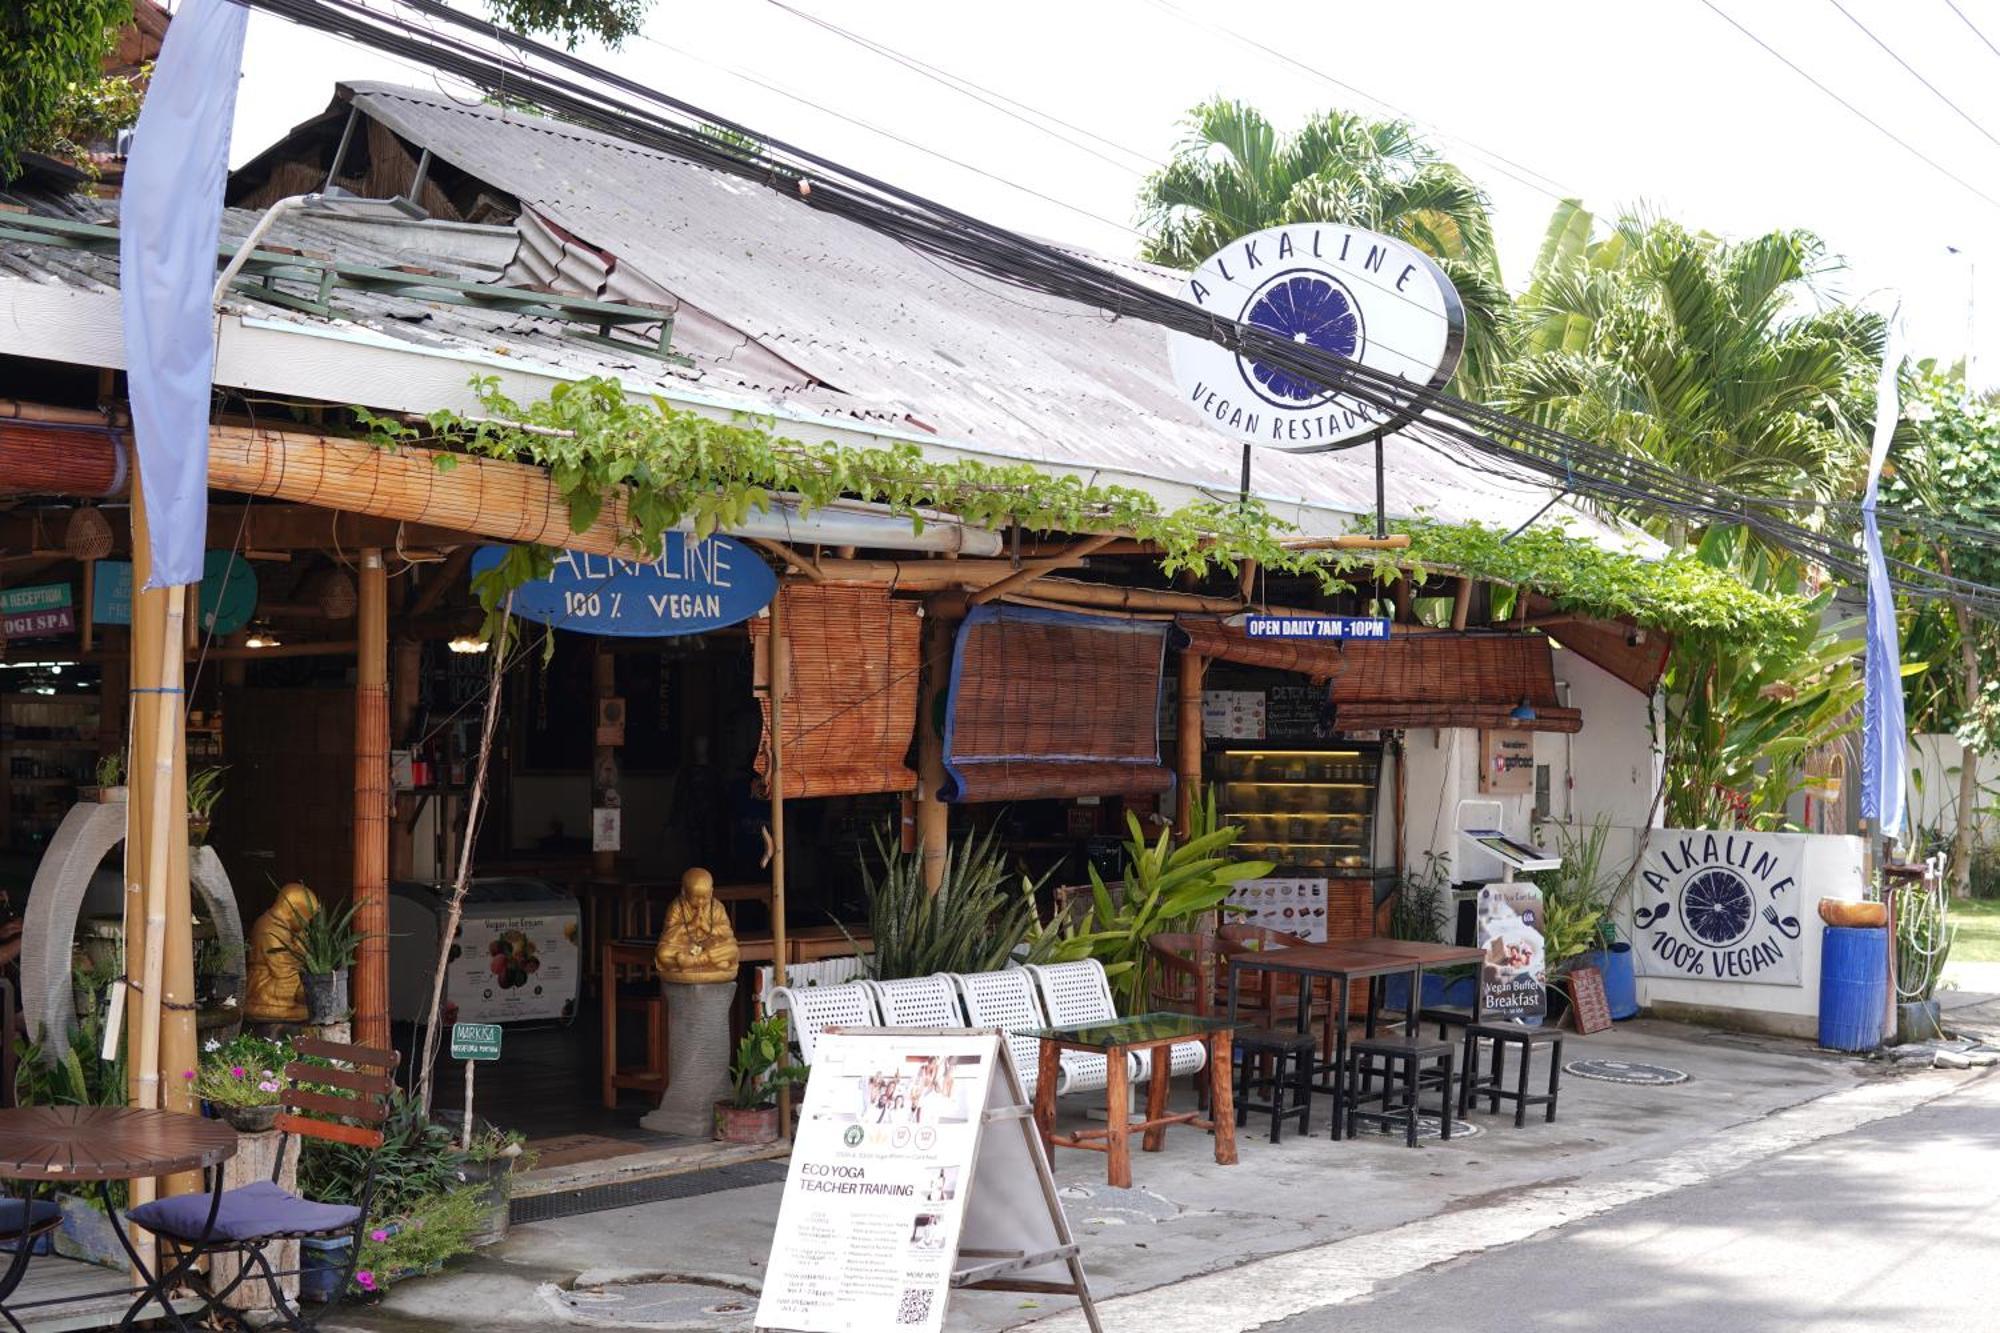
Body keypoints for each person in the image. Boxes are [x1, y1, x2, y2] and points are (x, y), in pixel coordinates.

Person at [245, 882, 321, 1023]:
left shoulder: (285, 928)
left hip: (281, 978)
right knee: (304, 990)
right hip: (267, 984)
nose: (307, 924)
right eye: (307, 918)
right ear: (295, 912)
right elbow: (283, 967)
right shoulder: (268, 928)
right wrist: (300, 949)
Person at [653, 867, 739, 984]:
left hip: (707, 949)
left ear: (711, 892)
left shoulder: (717, 907)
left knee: (732, 949)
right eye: (695, 898)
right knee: (663, 953)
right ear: (684, 892)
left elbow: (727, 933)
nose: (700, 902)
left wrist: (707, 928)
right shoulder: (677, 907)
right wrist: (691, 926)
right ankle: (713, 964)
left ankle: (694, 962)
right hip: (684, 948)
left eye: (705, 897)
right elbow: (668, 936)